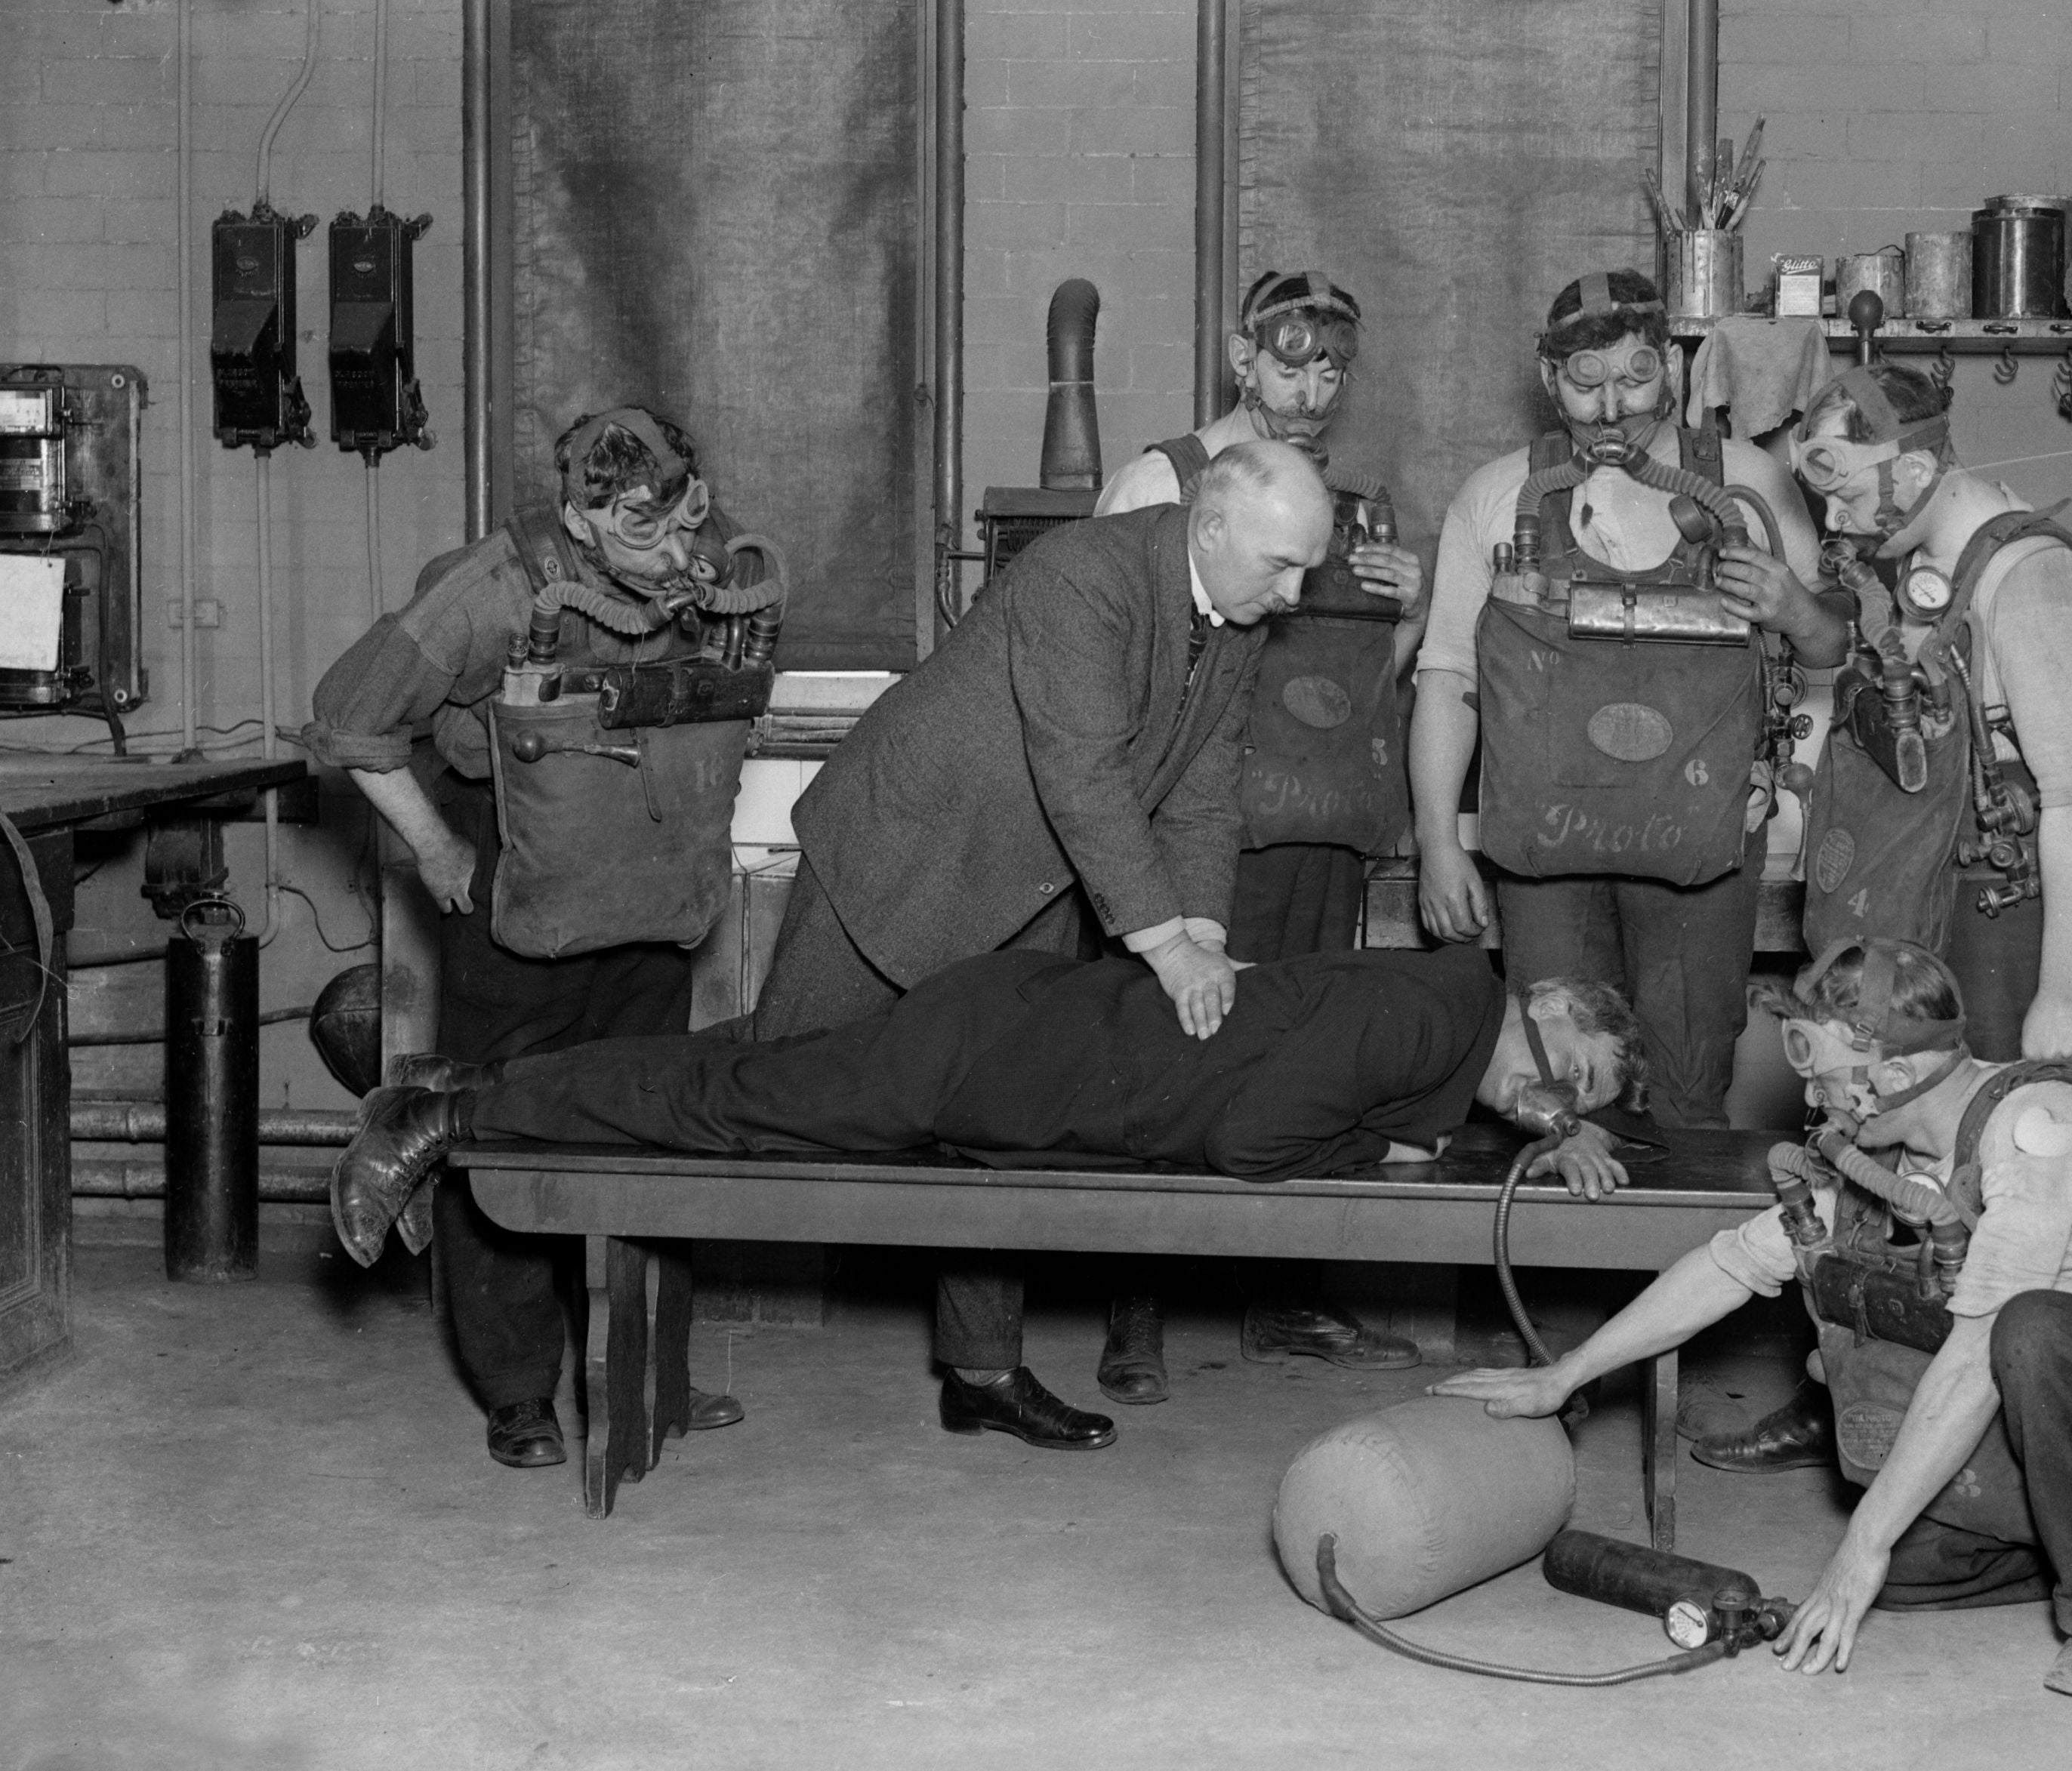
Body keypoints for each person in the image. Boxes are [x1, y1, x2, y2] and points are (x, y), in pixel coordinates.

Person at [1435, 938, 2072, 1701]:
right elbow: (1727, 1267)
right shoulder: (1892, 1154)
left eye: (1821, 1068)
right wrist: (1565, 1372)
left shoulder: (2035, 1133)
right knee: (1908, 1571)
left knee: (2025, 1334)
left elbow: (1975, 1355)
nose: (1812, 1094)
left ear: (1891, 1071)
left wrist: (1862, 1551)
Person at [738, 437, 1334, 1451]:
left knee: (996, 1125)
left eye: (1306, 571)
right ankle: (649, 1313)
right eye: (1279, 564)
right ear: (1213, 524)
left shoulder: (1235, 618)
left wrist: (1202, 930)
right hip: (901, 857)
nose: (1292, 593)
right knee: (762, 1101)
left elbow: (1201, 785)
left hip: (1031, 881)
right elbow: (1083, 774)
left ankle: (981, 1372)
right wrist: (1161, 945)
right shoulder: (1083, 574)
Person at [1703, 362, 2072, 1476]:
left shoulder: (2027, 580)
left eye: (1848, 491)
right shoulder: (1923, 567)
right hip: (1936, 909)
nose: (1835, 519)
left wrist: (2059, 991)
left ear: (1910, 468)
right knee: (1894, 1172)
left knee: (2017, 1205)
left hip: (2014, 929)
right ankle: (1859, 1400)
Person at [329, 947, 1648, 1320]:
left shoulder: (1442, 1013)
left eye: (1569, 1103)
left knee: (733, 1072)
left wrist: (1403, 1137)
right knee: (725, 1106)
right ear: (1540, 1017)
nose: (1552, 1107)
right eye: (1566, 1079)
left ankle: (479, 1076)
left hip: (1015, 1045)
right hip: (995, 1065)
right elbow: (1252, 1140)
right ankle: (450, 1112)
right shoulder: (1443, 1019)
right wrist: (1374, 1151)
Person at [303, 405, 755, 1471]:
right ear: (576, 517)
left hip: (647, 870)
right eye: (631, 536)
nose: (664, 553)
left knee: (654, 1118)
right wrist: (434, 851)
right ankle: (518, 1392)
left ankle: (650, 1369)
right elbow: (347, 717)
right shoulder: (493, 587)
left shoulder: (701, 544)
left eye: (675, 522)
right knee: (501, 1122)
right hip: (515, 867)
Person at [1411, 269, 1846, 1144]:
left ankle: (1677, 1274)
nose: (1611, 410)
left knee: (1687, 1077)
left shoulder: (1748, 485)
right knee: (1553, 1082)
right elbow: (1447, 672)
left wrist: (1793, 607)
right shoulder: (1498, 495)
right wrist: (1433, 844)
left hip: (1702, 847)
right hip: (1545, 854)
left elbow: (1829, 650)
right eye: (1585, 384)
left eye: (1636, 377)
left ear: (1674, 370)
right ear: (1548, 380)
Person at [1095, 268, 1428, 1395]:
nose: (1312, 386)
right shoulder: (1165, 476)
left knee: (1298, 1053)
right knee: (1160, 1051)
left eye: (1331, 365)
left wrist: (1411, 610)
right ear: (1242, 357)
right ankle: (1130, 1314)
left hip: (1311, 830)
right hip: (1195, 829)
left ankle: (1281, 1297)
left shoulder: (1347, 502)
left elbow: (1362, 689)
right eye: (1290, 361)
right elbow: (1113, 653)